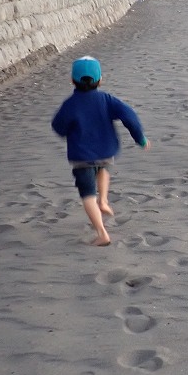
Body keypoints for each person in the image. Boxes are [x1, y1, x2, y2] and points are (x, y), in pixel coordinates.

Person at [51, 56, 149, 246]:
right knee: (102, 169)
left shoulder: (70, 104)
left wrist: (67, 131)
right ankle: (103, 200)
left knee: (87, 194)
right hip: (105, 152)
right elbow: (130, 116)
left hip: (81, 156)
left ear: (72, 80)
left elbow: (58, 126)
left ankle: (102, 232)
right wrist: (140, 138)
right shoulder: (107, 100)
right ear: (100, 80)